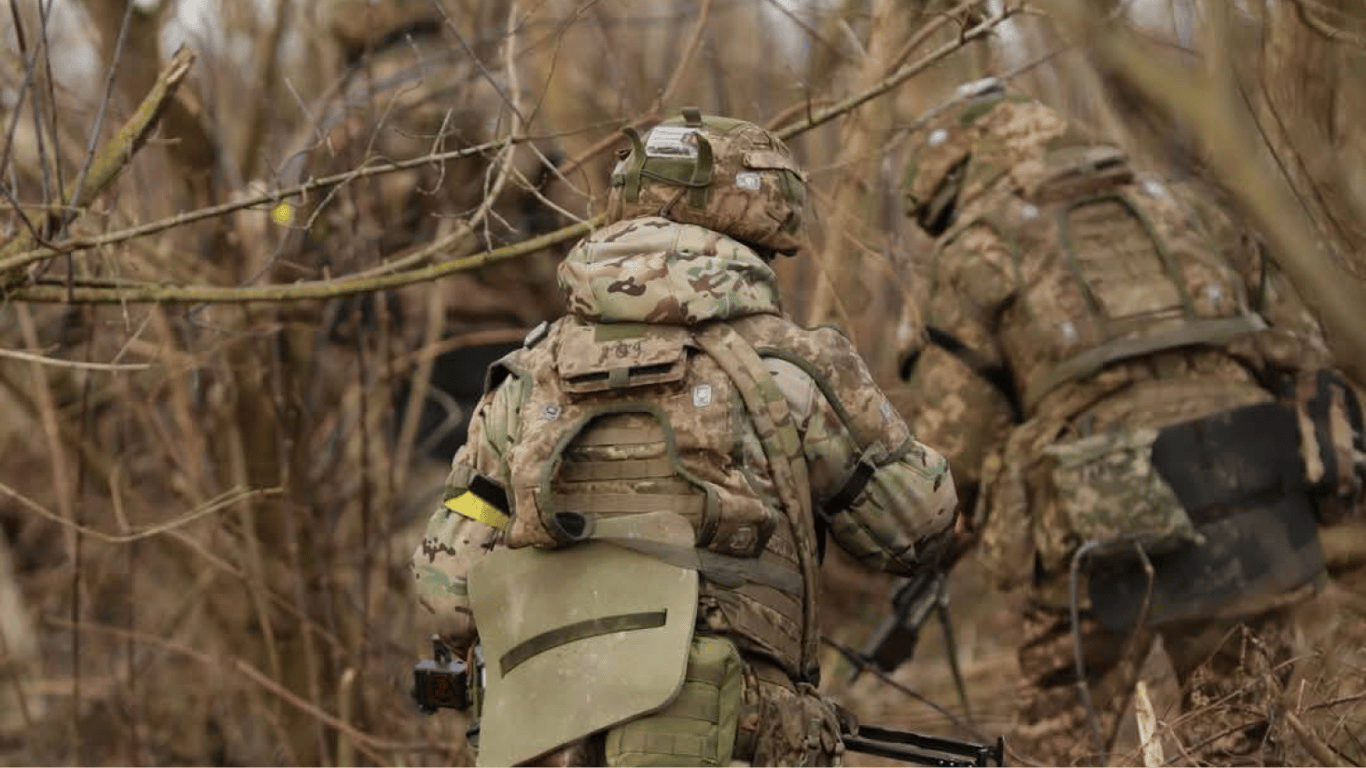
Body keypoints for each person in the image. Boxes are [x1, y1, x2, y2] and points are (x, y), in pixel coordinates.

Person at [410, 108, 960, 768]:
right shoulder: (791, 366)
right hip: (735, 735)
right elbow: (918, 526)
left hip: (551, 733)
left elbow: (446, 583)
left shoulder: (529, 376)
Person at [890, 80, 1364, 767]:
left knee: (1056, 743)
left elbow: (954, 453)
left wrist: (922, 551)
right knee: (1238, 734)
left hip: (1099, 513)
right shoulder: (1190, 211)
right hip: (1248, 482)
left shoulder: (975, 252)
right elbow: (1303, 353)